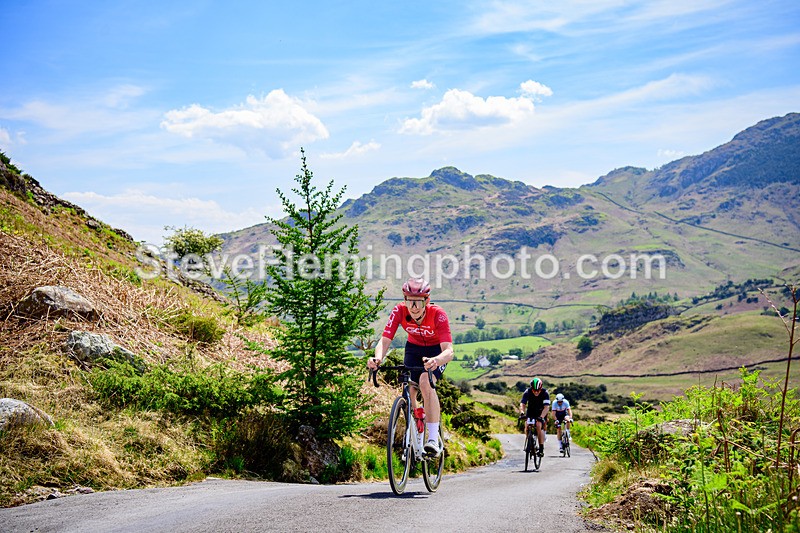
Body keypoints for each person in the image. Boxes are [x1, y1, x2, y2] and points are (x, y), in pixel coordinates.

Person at [367, 277, 454, 457]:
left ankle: (432, 439)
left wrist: (436, 361)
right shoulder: (399, 311)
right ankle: (415, 426)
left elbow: (449, 351)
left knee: (425, 382)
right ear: (405, 300)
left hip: (435, 351)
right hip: (413, 349)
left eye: (418, 302)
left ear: (426, 301)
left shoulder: (438, 314)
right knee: (408, 388)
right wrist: (377, 359)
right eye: (410, 302)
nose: (413, 307)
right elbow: (384, 341)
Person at [519, 377, 550, 456]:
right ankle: (530, 441)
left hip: (541, 412)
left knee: (538, 425)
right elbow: (523, 404)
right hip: (531, 411)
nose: (536, 392)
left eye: (538, 390)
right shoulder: (527, 392)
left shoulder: (545, 393)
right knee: (526, 426)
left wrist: (542, 417)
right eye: (534, 390)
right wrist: (522, 413)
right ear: (531, 388)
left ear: (541, 388)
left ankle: (541, 448)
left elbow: (546, 407)